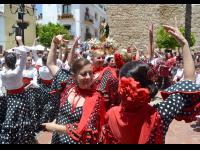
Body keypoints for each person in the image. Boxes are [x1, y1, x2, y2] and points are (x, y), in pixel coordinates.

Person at [100, 18, 200, 144]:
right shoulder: (160, 114)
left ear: (121, 86)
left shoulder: (110, 115)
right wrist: (184, 44)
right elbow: (189, 82)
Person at [42, 35, 110, 144]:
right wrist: (54, 44)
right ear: (74, 76)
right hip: (57, 140)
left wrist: (54, 127)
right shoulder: (69, 84)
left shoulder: (95, 98)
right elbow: (51, 64)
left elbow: (83, 129)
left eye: (90, 73)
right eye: (83, 74)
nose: (88, 77)